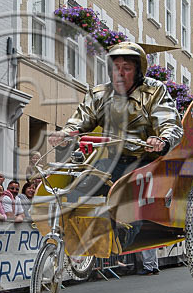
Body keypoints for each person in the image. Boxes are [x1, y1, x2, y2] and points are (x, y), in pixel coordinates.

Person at [48, 42, 182, 190]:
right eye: (115, 68)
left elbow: (169, 121)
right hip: (114, 163)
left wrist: (162, 140)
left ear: (138, 72)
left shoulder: (154, 91)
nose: (120, 73)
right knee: (78, 190)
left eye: (127, 68)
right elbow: (80, 120)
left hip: (148, 163)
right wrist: (64, 135)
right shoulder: (100, 94)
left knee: (131, 199)